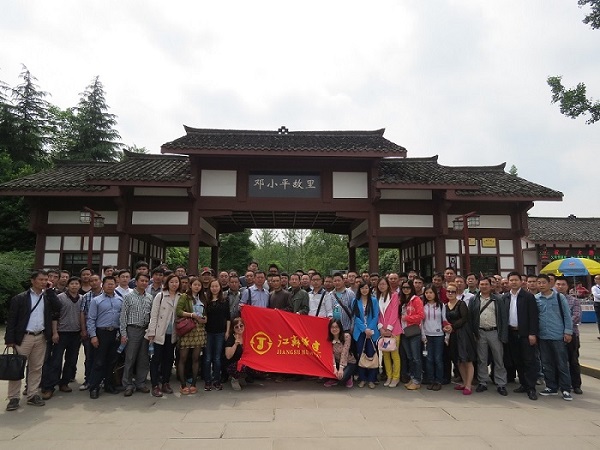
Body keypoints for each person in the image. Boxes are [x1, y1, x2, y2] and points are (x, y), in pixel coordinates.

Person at [4, 270, 60, 411]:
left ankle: (32, 394)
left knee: (36, 368)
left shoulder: (47, 297)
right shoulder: (20, 298)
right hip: (24, 337)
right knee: (17, 367)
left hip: (40, 336)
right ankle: (13, 397)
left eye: (45, 280)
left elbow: (58, 307)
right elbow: (12, 320)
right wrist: (9, 339)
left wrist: (50, 291)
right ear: (32, 280)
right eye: (41, 279)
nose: (44, 282)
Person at [41, 276, 83, 399]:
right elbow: (55, 316)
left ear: (80, 286)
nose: (74, 286)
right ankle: (49, 387)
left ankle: (64, 383)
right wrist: (55, 333)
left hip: (76, 334)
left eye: (76, 284)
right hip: (61, 333)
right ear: (68, 286)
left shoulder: (82, 298)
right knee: (56, 361)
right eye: (72, 283)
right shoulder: (60, 297)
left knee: (71, 360)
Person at [536, 274, 573, 401]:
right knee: (546, 363)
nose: (541, 285)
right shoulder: (536, 298)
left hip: (558, 335)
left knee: (562, 363)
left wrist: (568, 332)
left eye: (543, 282)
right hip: (543, 336)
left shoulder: (559, 297)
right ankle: (551, 387)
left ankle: (566, 389)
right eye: (539, 283)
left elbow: (567, 315)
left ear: (549, 284)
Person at [469, 277, 509, 396]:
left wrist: (503, 334)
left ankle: (501, 383)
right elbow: (471, 317)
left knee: (498, 358)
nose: (484, 286)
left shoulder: (498, 299)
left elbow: (503, 317)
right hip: (480, 332)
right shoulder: (474, 299)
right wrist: (473, 333)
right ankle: (483, 381)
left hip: (494, 332)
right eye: (481, 284)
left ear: (491, 286)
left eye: (486, 284)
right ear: (478, 285)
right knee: (482, 359)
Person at [504, 271, 539, 401]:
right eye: (511, 280)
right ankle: (523, 384)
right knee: (517, 360)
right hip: (511, 333)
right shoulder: (505, 297)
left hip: (525, 333)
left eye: (516, 280)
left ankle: (531, 388)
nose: (513, 282)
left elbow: (533, 317)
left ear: (521, 282)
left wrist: (532, 333)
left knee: (529, 361)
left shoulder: (528, 297)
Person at [87, 276, 123, 399]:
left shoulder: (120, 300)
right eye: (108, 284)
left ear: (115, 285)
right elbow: (91, 319)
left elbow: (122, 318)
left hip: (115, 333)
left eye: (112, 284)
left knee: (111, 361)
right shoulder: (96, 301)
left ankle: (109, 385)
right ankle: (94, 387)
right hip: (101, 333)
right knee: (98, 361)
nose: (110, 286)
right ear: (103, 285)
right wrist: (93, 336)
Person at [146, 273, 181, 397]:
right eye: (171, 282)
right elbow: (154, 315)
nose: (174, 284)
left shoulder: (181, 297)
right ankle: (155, 385)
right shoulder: (160, 296)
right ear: (167, 283)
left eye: (176, 282)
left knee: (169, 359)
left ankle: (166, 382)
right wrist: (151, 332)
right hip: (159, 332)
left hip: (173, 334)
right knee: (156, 359)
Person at [119, 272, 153, 397]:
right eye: (142, 280)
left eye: (146, 281)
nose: (144, 283)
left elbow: (152, 316)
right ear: (136, 282)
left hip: (145, 330)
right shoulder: (128, 297)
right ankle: (127, 384)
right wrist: (123, 334)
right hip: (132, 330)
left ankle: (140, 383)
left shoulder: (150, 297)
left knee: (144, 359)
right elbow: (123, 316)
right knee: (130, 358)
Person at [176, 276, 207, 395]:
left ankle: (193, 384)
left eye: (199, 285)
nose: (197, 287)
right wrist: (191, 315)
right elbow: (178, 311)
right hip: (188, 329)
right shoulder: (185, 296)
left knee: (196, 358)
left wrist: (205, 319)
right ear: (190, 285)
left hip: (199, 330)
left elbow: (205, 313)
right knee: (183, 358)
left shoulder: (203, 298)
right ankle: (183, 384)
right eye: (195, 285)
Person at [443, 282, 476, 395]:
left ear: (456, 292)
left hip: (463, 334)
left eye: (453, 291)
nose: (450, 293)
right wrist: (446, 327)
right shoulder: (445, 305)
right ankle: (464, 382)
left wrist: (452, 326)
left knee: (467, 359)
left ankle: (468, 385)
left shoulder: (461, 304)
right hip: (453, 335)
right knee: (458, 360)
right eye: (448, 291)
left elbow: (464, 318)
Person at [555, 276, 582, 394]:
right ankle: (559, 383)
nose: (560, 287)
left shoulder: (573, 300)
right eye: (558, 284)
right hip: (555, 335)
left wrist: (563, 327)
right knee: (557, 360)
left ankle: (576, 385)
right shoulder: (552, 299)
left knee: (573, 360)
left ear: (567, 286)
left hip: (571, 334)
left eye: (563, 284)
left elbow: (576, 317)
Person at [204, 279, 231, 391]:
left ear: (220, 287)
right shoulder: (206, 301)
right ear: (209, 288)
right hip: (208, 332)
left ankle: (217, 380)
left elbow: (228, 317)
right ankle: (207, 381)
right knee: (207, 358)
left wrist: (227, 331)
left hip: (220, 332)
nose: (214, 288)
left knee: (217, 358)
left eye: (216, 286)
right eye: (212, 286)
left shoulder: (224, 301)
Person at [352, 281, 380, 389]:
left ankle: (372, 379)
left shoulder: (374, 300)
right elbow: (356, 317)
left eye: (366, 288)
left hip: (372, 332)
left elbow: (376, 316)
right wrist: (364, 329)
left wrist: (369, 329)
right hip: (360, 332)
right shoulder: (355, 301)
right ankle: (362, 378)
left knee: (371, 355)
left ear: (369, 289)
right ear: (359, 289)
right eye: (362, 288)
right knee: (361, 355)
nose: (364, 290)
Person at [376, 277, 401, 388]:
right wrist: (381, 328)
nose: (382, 286)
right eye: (380, 284)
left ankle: (396, 377)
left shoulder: (394, 295)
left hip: (394, 330)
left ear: (388, 285)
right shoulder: (377, 297)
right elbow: (378, 314)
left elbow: (394, 313)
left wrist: (389, 329)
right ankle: (389, 376)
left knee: (394, 355)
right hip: (383, 330)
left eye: (383, 284)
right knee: (385, 355)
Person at [399, 280, 425, 390]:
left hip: (413, 331)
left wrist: (407, 318)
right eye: (404, 287)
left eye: (408, 287)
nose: (406, 289)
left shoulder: (416, 300)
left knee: (416, 357)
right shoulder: (402, 300)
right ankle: (412, 377)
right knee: (409, 357)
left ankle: (417, 380)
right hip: (404, 332)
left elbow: (421, 316)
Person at [79, 273, 102, 391]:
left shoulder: (107, 294)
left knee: (102, 357)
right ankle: (88, 380)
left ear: (100, 281)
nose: (94, 282)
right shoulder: (86, 296)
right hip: (89, 330)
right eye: (91, 281)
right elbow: (82, 313)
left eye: (96, 280)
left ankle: (100, 380)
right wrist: (83, 329)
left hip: (103, 330)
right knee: (89, 357)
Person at [422, 285, 446, 391]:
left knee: (438, 359)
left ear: (435, 293)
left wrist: (447, 336)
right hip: (427, 335)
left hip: (439, 335)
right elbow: (421, 322)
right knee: (429, 359)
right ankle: (431, 380)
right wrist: (423, 335)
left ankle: (438, 380)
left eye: (431, 292)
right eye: (426, 293)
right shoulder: (423, 305)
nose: (429, 295)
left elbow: (444, 320)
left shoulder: (441, 305)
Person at [324, 318, 357, 388]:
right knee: (328, 374)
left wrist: (341, 369)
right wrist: (335, 368)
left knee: (342, 377)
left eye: (336, 327)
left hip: (349, 362)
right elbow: (331, 355)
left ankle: (349, 377)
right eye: (332, 327)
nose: (334, 329)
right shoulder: (329, 339)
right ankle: (334, 379)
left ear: (340, 328)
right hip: (336, 362)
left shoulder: (346, 336)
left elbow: (344, 353)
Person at [224, 317, 254, 390]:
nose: (239, 328)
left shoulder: (247, 337)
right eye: (236, 327)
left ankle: (242, 377)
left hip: (244, 361)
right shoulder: (231, 339)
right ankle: (234, 379)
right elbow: (228, 356)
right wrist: (235, 345)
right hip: (233, 364)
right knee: (243, 365)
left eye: (241, 325)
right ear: (233, 328)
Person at [593, 275, 600, 340]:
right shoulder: (594, 288)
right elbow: (596, 295)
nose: (596, 280)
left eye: (598, 279)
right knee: (599, 319)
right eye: (596, 279)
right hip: (598, 304)